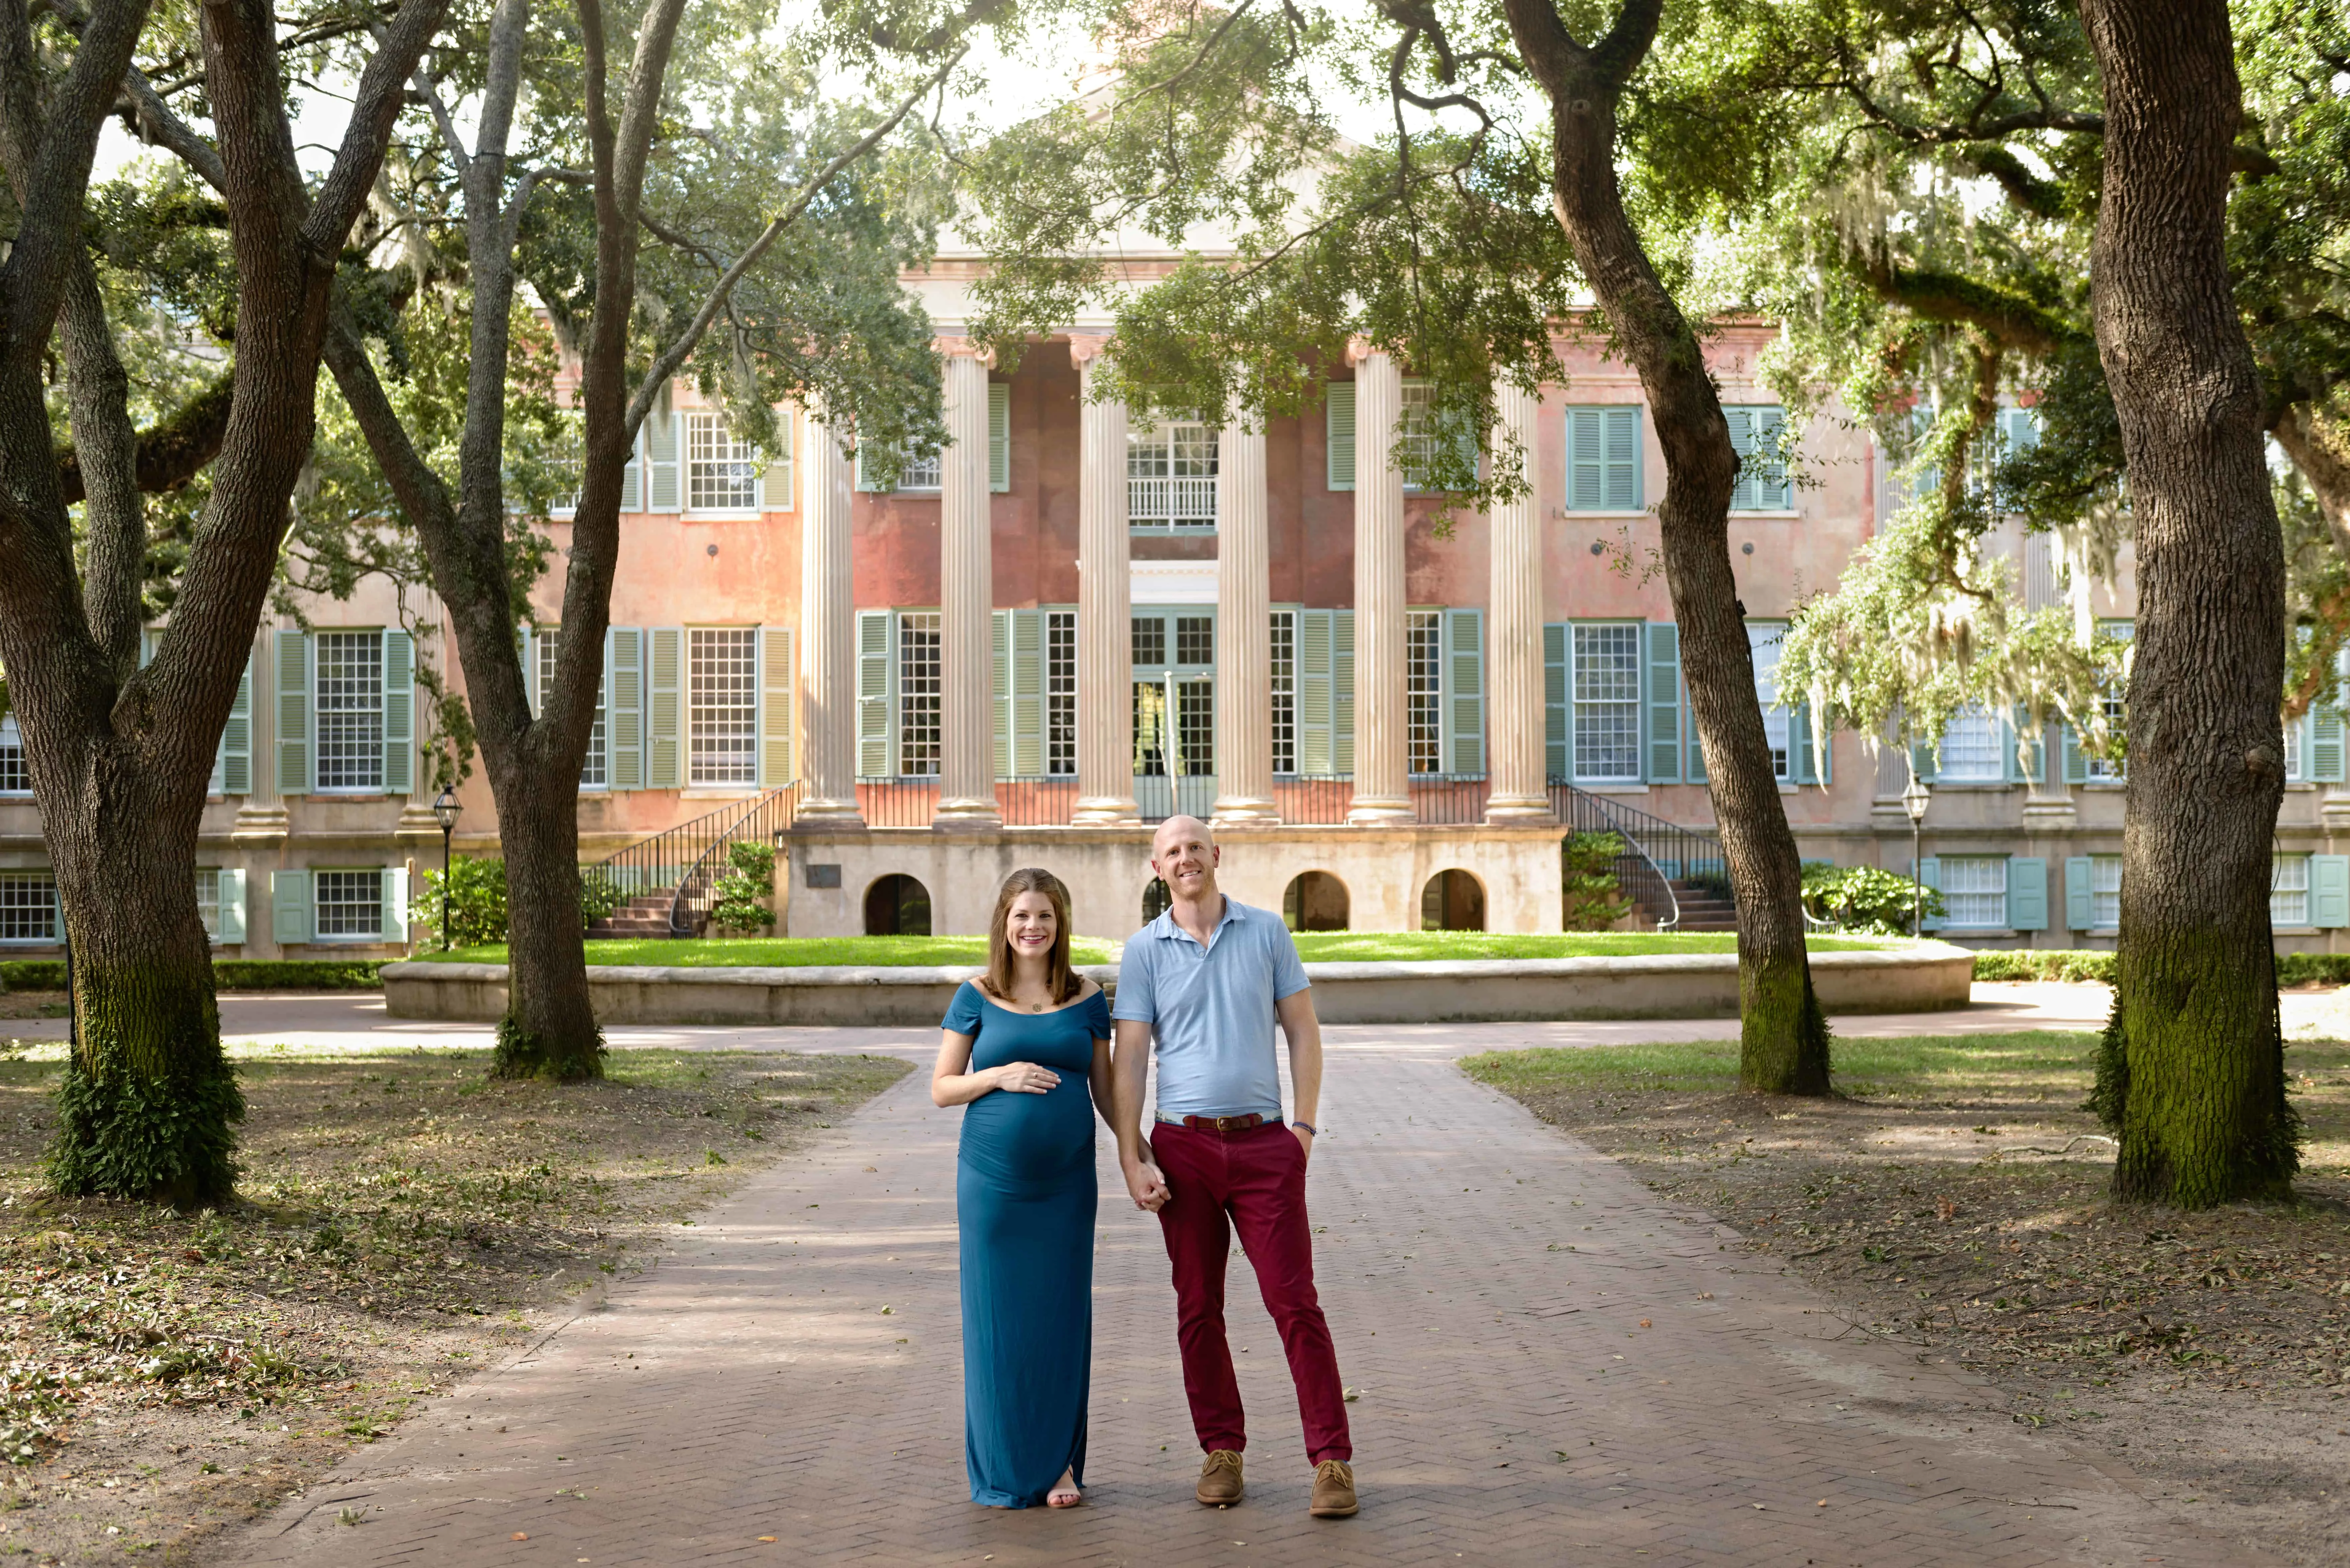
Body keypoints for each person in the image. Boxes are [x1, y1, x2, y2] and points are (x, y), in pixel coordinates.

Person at [1110, 815, 1358, 1520]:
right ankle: (1222, 1451)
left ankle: (1332, 1460)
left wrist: (1304, 1128)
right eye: (1172, 852)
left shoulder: (1267, 932)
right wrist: (1131, 1155)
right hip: (1182, 1148)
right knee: (1198, 1308)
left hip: (1264, 1146)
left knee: (1294, 1302)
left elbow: (1303, 1029)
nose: (1186, 858)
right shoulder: (1143, 951)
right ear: (1157, 869)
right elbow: (1130, 1057)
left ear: (1217, 856)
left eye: (1196, 847)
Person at [932, 868, 1113, 1509]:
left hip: (1067, 1186)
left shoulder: (1089, 998)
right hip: (992, 1187)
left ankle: (1060, 1465)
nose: (1032, 927)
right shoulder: (976, 994)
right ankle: (1007, 1468)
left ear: (1060, 924)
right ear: (1003, 925)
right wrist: (999, 1074)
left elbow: (1108, 1090)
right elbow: (942, 1087)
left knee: (1062, 1319)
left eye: (1043, 916)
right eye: (1020, 916)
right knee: (996, 1322)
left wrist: (1139, 1152)